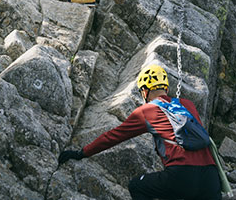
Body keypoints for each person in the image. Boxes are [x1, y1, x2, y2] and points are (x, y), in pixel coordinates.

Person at [58, 65, 221, 200]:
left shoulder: (146, 111)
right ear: (166, 87)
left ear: (144, 91)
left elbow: (113, 137)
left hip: (181, 175)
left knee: (137, 186)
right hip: (212, 178)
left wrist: (81, 153)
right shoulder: (188, 105)